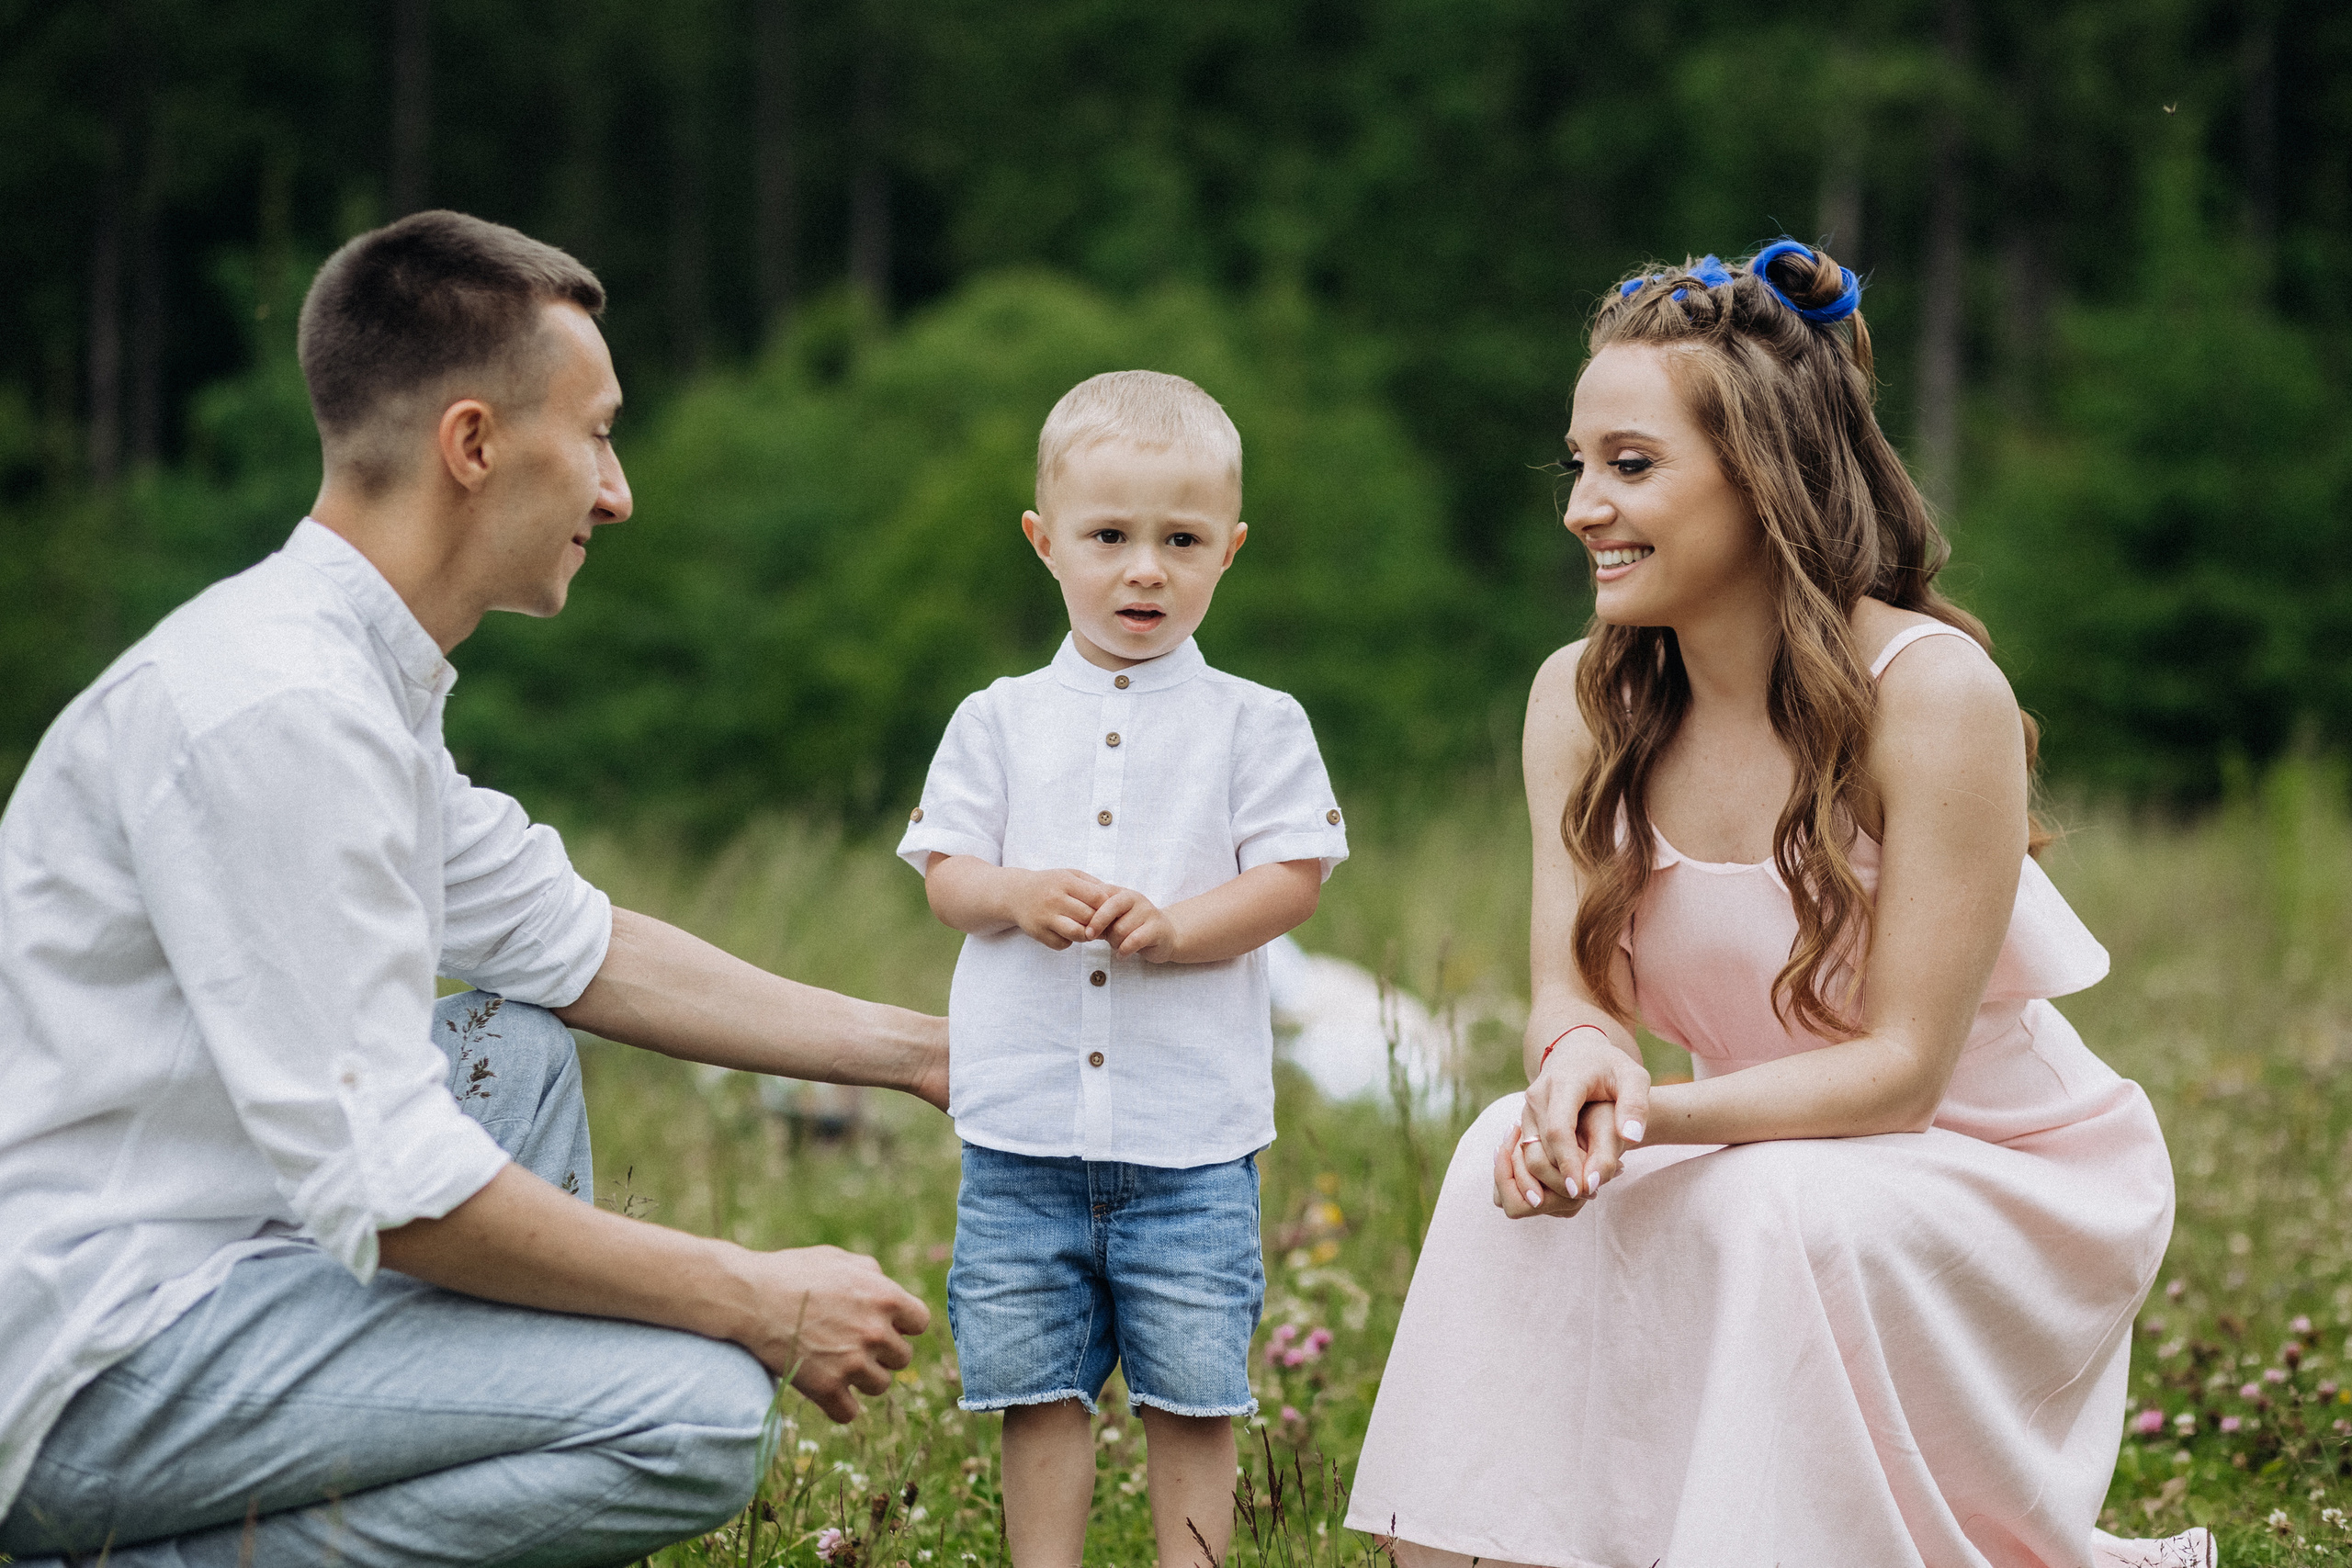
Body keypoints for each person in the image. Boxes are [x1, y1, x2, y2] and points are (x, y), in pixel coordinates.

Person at [0, 210, 944, 1568]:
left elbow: (581, 948)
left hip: (236, 1258)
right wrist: (750, 1297)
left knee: (516, 1043)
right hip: (100, 1354)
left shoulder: (352, 680)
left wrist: (923, 1054)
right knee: (691, 1416)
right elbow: (396, 1188)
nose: (618, 493)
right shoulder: (280, 708)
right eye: (601, 433)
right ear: (474, 445)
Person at [1345, 243, 2211, 1568]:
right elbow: (1571, 988)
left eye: (1631, 466)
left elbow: (1905, 1075)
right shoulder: (1576, 702)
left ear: (1764, 477)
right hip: (1755, 1138)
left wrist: (1653, 1118)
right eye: (1575, 464)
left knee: (1769, 1207)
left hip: (1992, 1170)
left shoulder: (1933, 697)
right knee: (1488, 1162)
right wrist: (1578, 1075)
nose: (1584, 506)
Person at [897, 371, 1349, 1568]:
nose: (1144, 569)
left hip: (1190, 1140)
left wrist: (1182, 928)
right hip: (1024, 1136)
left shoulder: (1258, 723)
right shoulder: (996, 719)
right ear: (1048, 544)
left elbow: (1292, 880)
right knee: (1034, 1387)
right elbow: (947, 874)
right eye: (1110, 537)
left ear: (1228, 552)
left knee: (1194, 1396)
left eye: (1181, 541)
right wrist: (1017, 894)